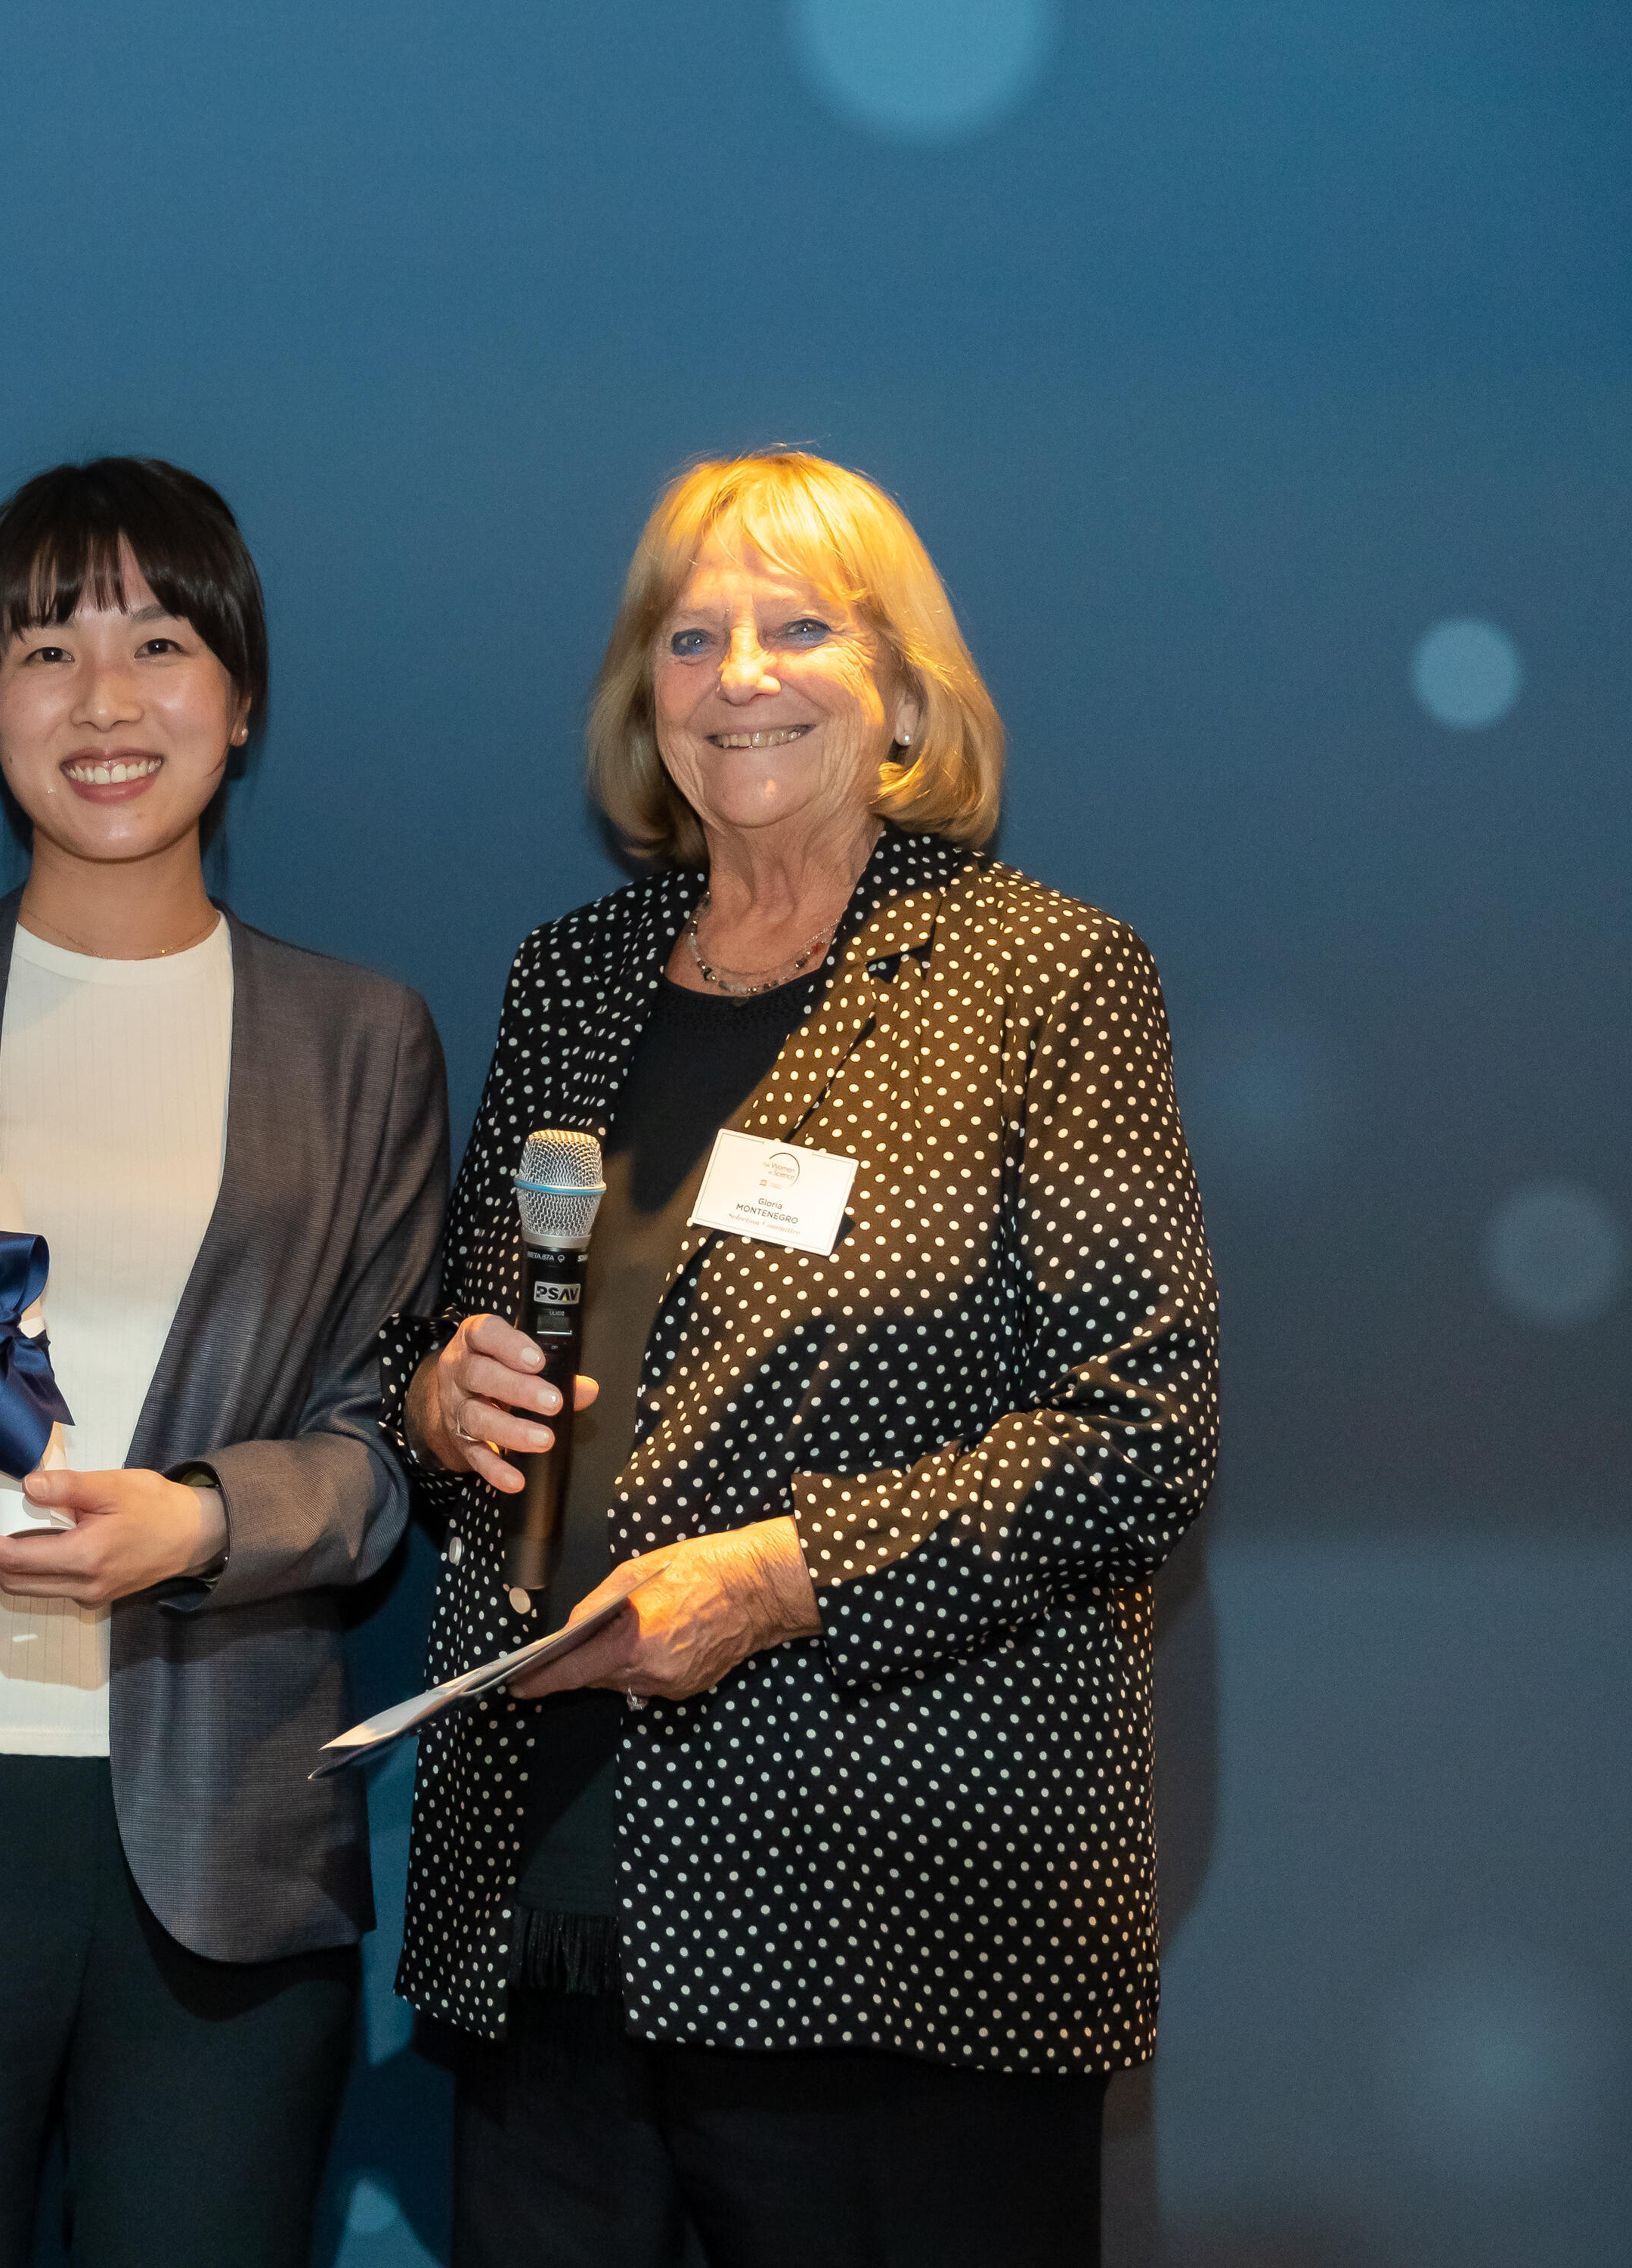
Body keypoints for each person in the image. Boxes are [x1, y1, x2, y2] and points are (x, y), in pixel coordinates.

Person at [391, 448, 1219, 2268]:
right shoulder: (571, 980)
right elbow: (429, 1354)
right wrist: (438, 1400)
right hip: (552, 1907)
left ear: (905, 688)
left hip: (896, 1921)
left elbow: (1136, 1438)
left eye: (796, 628)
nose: (738, 674)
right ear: (645, 699)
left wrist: (782, 1577)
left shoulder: (1045, 980)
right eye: (691, 637)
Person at [0, 457, 447, 2268]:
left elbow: (386, 1446)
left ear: (243, 697)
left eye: (163, 643)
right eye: (46, 650)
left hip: (217, 1854)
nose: (105, 703)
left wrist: (197, 1523)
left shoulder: (360, 1042)